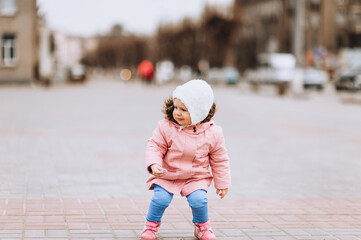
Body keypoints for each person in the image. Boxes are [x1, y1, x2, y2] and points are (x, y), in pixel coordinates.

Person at [141, 79, 231, 240]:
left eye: (184, 109)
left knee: (199, 200)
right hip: (167, 174)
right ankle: (150, 226)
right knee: (160, 199)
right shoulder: (166, 127)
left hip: (195, 176)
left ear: (199, 112)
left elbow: (220, 160)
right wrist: (154, 165)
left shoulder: (213, 133)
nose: (177, 113)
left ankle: (202, 227)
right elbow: (155, 146)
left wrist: (222, 183)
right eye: (175, 107)